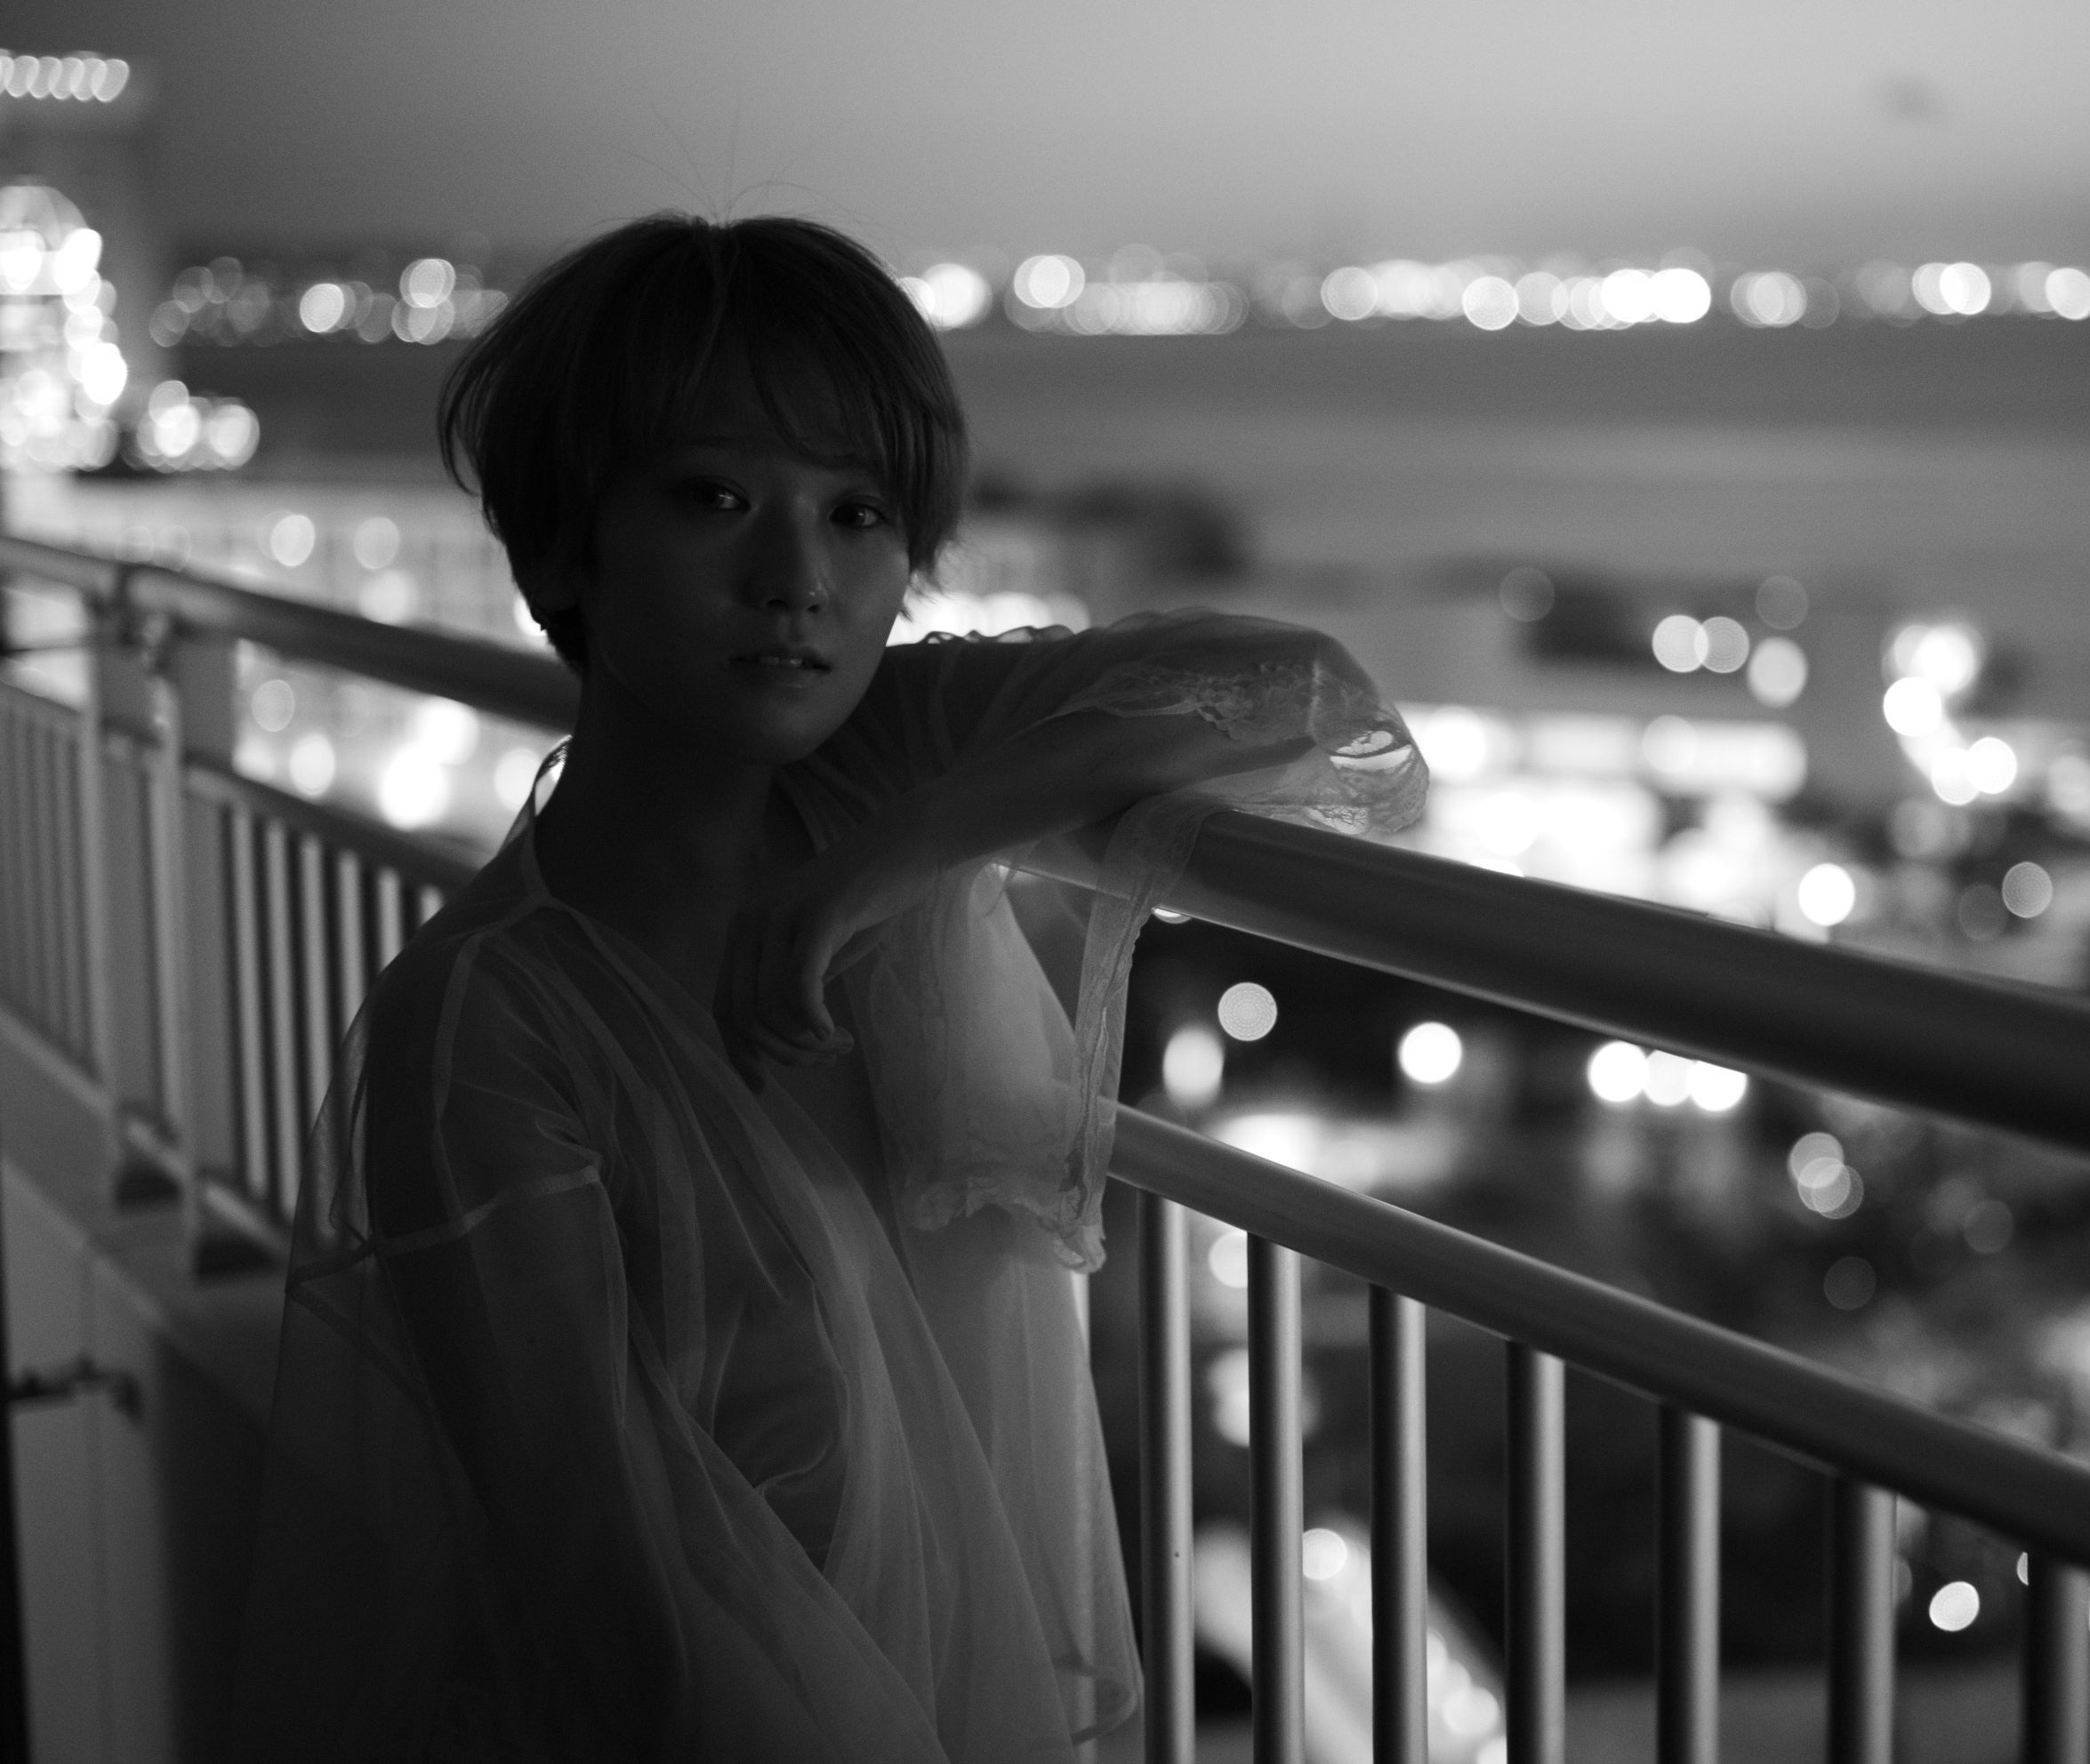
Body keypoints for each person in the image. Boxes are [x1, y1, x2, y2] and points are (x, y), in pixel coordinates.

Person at [228, 214, 1424, 1762]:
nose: (797, 577)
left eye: (858, 513)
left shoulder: (888, 758)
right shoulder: (486, 1030)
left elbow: (1332, 712)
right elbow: (626, 1617)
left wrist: (901, 854)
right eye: (714, 497)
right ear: (560, 549)